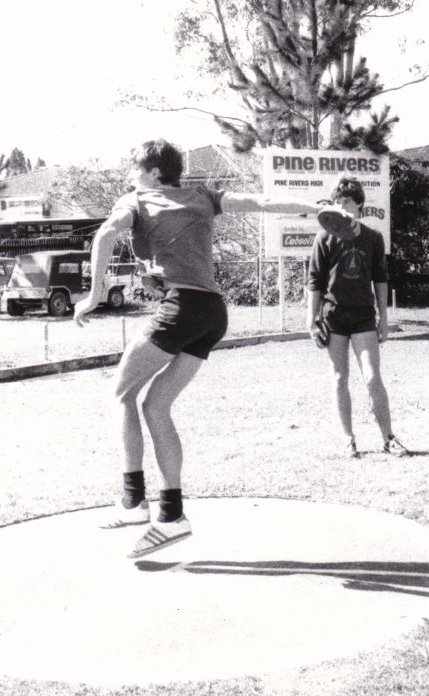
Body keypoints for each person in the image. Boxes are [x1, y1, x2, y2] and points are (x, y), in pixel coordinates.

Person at [74, 138, 327, 558]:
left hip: (182, 308)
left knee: (121, 393)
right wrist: (317, 208)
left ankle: (134, 502)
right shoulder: (204, 196)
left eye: (135, 168)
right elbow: (260, 201)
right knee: (155, 406)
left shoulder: (137, 199)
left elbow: (104, 233)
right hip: (212, 312)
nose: (130, 175)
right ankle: (172, 515)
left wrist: (95, 294)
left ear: (154, 172)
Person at [307, 176, 408, 458]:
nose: (342, 207)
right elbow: (314, 282)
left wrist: (383, 318)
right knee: (340, 377)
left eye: (348, 202)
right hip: (334, 316)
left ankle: (388, 438)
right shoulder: (324, 238)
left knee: (372, 377)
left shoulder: (373, 238)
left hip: (363, 316)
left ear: (359, 205)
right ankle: (348, 439)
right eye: (338, 202)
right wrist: (311, 321)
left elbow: (380, 280)